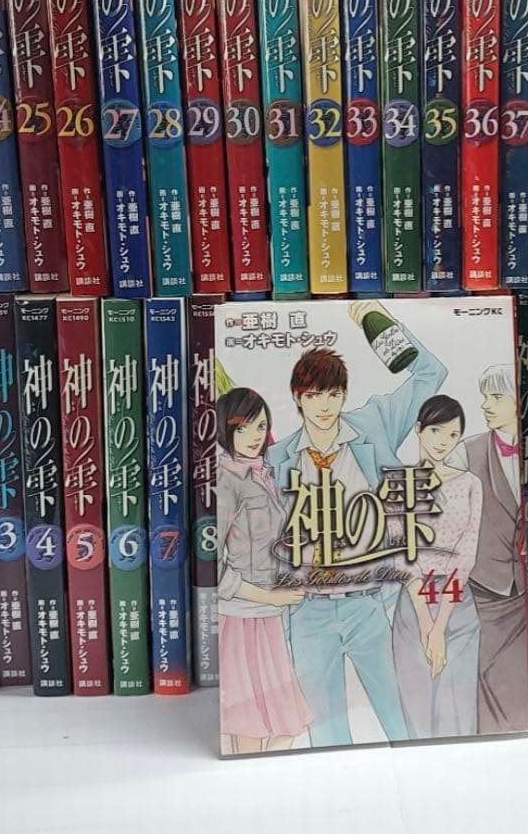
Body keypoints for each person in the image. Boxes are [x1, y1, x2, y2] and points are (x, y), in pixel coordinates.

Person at [267, 300, 446, 748]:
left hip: (369, 605)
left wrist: (376, 321)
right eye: (313, 396)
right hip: (307, 612)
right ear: (297, 398)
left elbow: (430, 373)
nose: (324, 406)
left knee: (402, 720)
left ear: (344, 395)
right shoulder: (276, 458)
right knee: (326, 736)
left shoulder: (373, 424)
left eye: (332, 394)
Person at [216, 387, 312, 754]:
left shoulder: (262, 473)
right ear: (226, 431)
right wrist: (269, 596)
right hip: (241, 617)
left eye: (260, 426)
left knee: (281, 722)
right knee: (249, 722)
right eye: (242, 428)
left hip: (266, 615)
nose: (254, 436)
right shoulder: (227, 479)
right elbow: (215, 565)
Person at [392, 395, 482, 740]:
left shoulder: (470, 484)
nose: (443, 441)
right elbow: (402, 557)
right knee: (416, 704)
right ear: (418, 430)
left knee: (457, 707)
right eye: (436, 431)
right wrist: (426, 625)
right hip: (413, 602)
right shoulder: (400, 482)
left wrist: (439, 626)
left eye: (453, 434)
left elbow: (465, 555)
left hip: (457, 604)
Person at [459, 363, 528, 734]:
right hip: (487, 585)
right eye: (485, 396)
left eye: (496, 396)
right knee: (488, 669)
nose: (486, 405)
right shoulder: (467, 452)